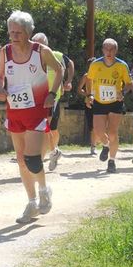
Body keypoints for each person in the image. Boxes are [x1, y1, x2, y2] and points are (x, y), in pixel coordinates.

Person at [0, 11, 62, 224]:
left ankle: (44, 189)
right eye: (11, 32)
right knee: (22, 160)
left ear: (28, 32)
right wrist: (0, 88)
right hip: (15, 111)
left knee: (32, 159)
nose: (13, 36)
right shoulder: (5, 52)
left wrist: (51, 94)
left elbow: (58, 70)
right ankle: (31, 203)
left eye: (18, 32)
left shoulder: (41, 51)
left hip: (37, 111)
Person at [85, 38, 133, 173]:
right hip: (99, 101)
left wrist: (122, 92)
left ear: (116, 51)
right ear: (102, 50)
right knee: (99, 132)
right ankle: (106, 145)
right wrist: (89, 96)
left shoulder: (122, 65)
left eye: (112, 49)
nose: (109, 52)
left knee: (112, 132)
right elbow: (89, 80)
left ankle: (111, 161)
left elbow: (129, 83)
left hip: (115, 102)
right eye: (106, 49)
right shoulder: (95, 64)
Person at [31, 32, 75, 171]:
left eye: (39, 44)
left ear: (46, 44)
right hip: (36, 97)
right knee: (42, 127)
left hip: (51, 97)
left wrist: (68, 81)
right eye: (34, 44)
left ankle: (40, 158)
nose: (36, 47)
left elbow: (70, 64)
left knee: (44, 126)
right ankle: (54, 151)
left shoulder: (56, 55)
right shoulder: (31, 57)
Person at [77, 57, 97, 155]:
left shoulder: (101, 74)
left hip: (101, 102)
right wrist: (88, 95)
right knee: (92, 126)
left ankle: (105, 143)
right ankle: (93, 147)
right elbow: (79, 89)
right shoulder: (86, 76)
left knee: (102, 124)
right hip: (89, 102)